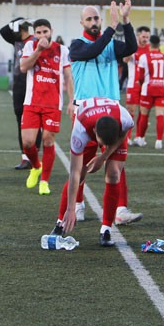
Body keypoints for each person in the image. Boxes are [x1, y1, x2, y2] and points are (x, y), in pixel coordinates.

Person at [67, 0, 141, 227]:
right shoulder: (77, 45)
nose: (93, 21)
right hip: (86, 111)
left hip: (111, 109)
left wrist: (126, 21)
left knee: (117, 163)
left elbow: (131, 48)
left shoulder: (110, 42)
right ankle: (78, 203)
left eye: (96, 17)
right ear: (81, 22)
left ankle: (120, 209)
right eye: (89, 18)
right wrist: (112, 26)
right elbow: (93, 50)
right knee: (83, 162)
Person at [52, 97, 134, 247]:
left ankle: (106, 229)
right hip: (87, 118)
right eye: (100, 142)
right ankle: (60, 223)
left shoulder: (124, 118)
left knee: (114, 173)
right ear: (95, 132)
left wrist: (103, 157)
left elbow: (124, 132)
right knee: (81, 173)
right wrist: (71, 208)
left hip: (111, 125)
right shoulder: (80, 130)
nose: (101, 145)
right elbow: (74, 173)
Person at [19, 19, 75, 195]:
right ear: (34, 33)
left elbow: (68, 77)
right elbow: (23, 67)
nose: (42, 35)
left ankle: (44, 180)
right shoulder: (30, 46)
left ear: (51, 31)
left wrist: (72, 101)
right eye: (39, 32)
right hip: (32, 102)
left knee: (48, 140)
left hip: (52, 104)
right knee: (27, 142)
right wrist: (38, 50)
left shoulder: (62, 50)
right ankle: (36, 166)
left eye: (45, 32)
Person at [0, 17, 39, 170]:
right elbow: (3, 31)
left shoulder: (35, 40)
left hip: (32, 83)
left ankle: (33, 156)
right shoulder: (15, 41)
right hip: (19, 84)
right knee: (20, 120)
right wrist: (18, 20)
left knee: (34, 121)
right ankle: (24, 157)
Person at [134, 34, 164, 149]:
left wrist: (141, 83)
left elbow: (140, 76)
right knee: (160, 115)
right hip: (161, 90)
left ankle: (141, 139)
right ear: (159, 45)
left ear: (150, 45)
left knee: (144, 115)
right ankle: (159, 141)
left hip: (147, 89)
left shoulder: (144, 57)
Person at [123, 26, 150, 143]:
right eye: (143, 37)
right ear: (138, 36)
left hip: (145, 85)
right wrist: (131, 49)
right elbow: (125, 59)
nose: (145, 39)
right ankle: (127, 137)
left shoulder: (150, 49)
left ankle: (139, 137)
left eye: (147, 37)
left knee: (143, 111)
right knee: (130, 111)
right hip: (133, 83)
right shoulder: (133, 47)